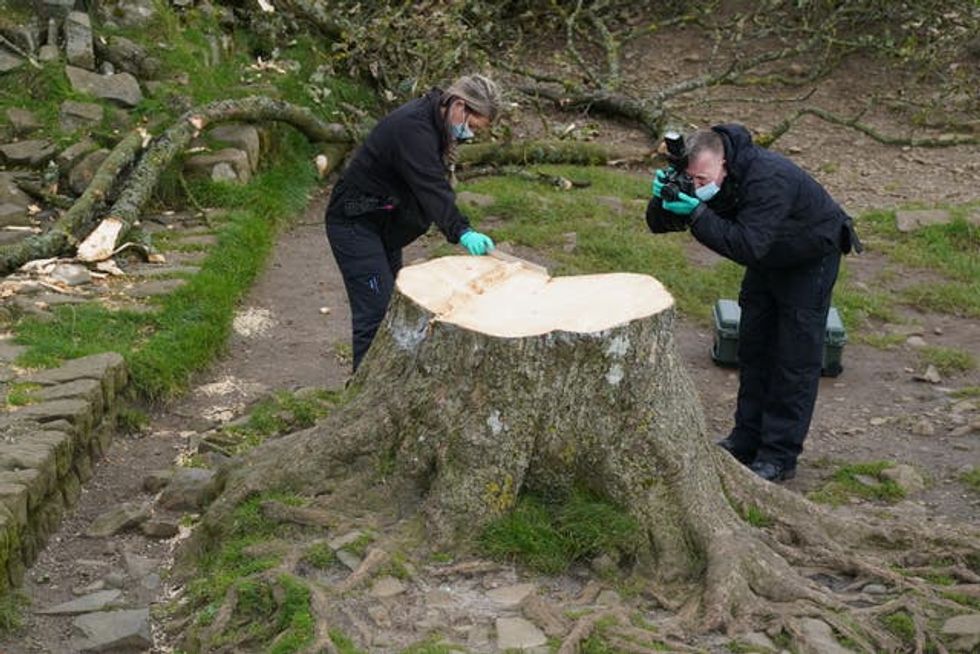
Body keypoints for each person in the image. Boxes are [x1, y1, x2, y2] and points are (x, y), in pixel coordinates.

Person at [647, 123, 861, 482]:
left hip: (809, 254)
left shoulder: (768, 179)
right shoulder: (701, 174)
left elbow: (746, 246)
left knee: (794, 358)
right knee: (754, 346)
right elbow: (660, 224)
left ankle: (779, 455)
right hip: (768, 254)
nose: (698, 187)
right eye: (691, 180)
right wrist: (663, 200)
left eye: (703, 180)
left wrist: (697, 214)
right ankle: (745, 440)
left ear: (725, 165)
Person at [325, 74, 501, 371]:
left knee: (394, 305)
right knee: (375, 313)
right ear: (459, 105)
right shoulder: (414, 128)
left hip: (384, 223)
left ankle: (387, 381)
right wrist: (462, 230)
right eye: (470, 126)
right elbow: (430, 186)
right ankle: (361, 390)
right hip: (355, 222)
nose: (468, 133)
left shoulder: (435, 122)